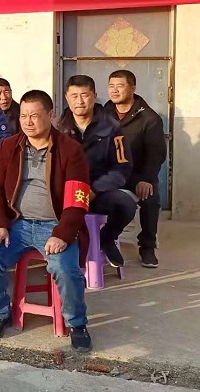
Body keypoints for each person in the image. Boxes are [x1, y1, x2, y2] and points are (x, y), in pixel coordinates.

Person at [0, 90, 93, 352]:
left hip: (54, 226)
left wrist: (63, 233)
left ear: (50, 115)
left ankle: (77, 323)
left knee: (65, 268)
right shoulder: (9, 146)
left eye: (34, 115)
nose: (28, 122)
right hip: (18, 224)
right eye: (23, 116)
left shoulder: (70, 150)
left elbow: (78, 196)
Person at [58, 75, 136, 268]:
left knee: (126, 204)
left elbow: (122, 168)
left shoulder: (112, 127)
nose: (79, 101)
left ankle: (106, 238)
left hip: (97, 192)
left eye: (84, 95)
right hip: (66, 193)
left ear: (94, 95)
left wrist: (94, 189)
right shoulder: (57, 129)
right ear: (67, 98)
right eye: (74, 96)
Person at [105, 70, 167, 268]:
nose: (114, 90)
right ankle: (102, 238)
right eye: (111, 86)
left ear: (132, 88)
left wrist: (146, 178)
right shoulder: (102, 114)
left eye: (120, 86)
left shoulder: (149, 118)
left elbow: (156, 153)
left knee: (150, 197)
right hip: (109, 174)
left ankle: (147, 247)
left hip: (136, 175)